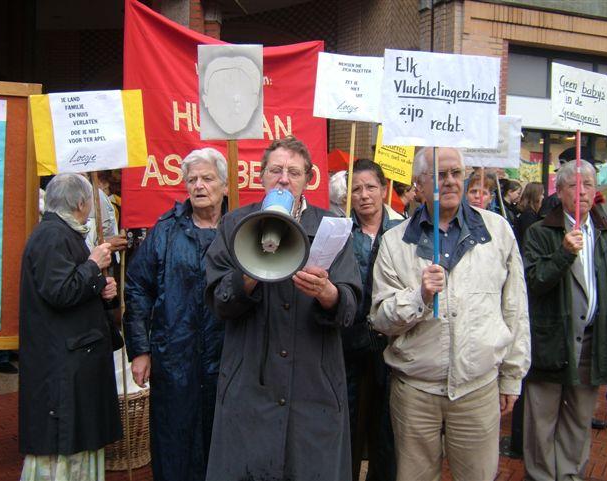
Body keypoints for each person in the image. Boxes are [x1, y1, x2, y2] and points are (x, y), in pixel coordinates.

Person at [204, 136, 361, 481]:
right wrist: (248, 276)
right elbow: (217, 299)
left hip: (313, 389)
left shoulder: (331, 227)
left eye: (294, 171)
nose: (284, 179)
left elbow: (350, 306)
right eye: (275, 170)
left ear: (308, 179)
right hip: (250, 388)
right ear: (260, 176)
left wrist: (328, 293)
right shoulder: (235, 225)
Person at [370, 146, 530, 481]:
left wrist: (512, 375)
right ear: (419, 185)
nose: (452, 181)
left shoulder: (497, 231)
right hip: (416, 393)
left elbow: (515, 309)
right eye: (440, 175)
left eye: (457, 173)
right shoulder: (395, 241)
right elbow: (381, 319)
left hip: (478, 390)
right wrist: (420, 295)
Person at [124, 148, 228, 481]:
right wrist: (140, 350)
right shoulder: (165, 231)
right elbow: (138, 288)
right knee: (175, 444)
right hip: (174, 360)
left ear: (225, 185)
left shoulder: (238, 229)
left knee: (222, 443)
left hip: (226, 359)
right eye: (192, 179)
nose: (199, 185)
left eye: (207, 178)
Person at [18, 173, 121, 481]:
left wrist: (101, 288)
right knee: (63, 452)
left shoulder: (62, 232)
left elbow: (70, 288)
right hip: (62, 366)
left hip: (72, 360)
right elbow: (60, 291)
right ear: (80, 203)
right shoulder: (53, 235)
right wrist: (93, 265)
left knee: (77, 447)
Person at [522, 159, 607, 481]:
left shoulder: (604, 231)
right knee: (541, 427)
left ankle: (570, 476)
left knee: (578, 424)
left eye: (588, 184)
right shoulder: (540, 232)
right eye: (575, 184)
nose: (583, 191)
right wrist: (563, 254)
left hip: (590, 345)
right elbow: (533, 282)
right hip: (550, 344)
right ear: (559, 192)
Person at [345, 159, 399, 481]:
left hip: (389, 343)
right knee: (350, 423)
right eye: (356, 188)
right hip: (349, 343)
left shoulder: (402, 231)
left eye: (370, 187)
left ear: (383, 189)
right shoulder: (339, 230)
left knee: (386, 428)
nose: (363, 195)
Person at [515, 182, 544, 250]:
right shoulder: (529, 215)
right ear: (535, 196)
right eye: (542, 194)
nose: (543, 197)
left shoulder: (526, 212)